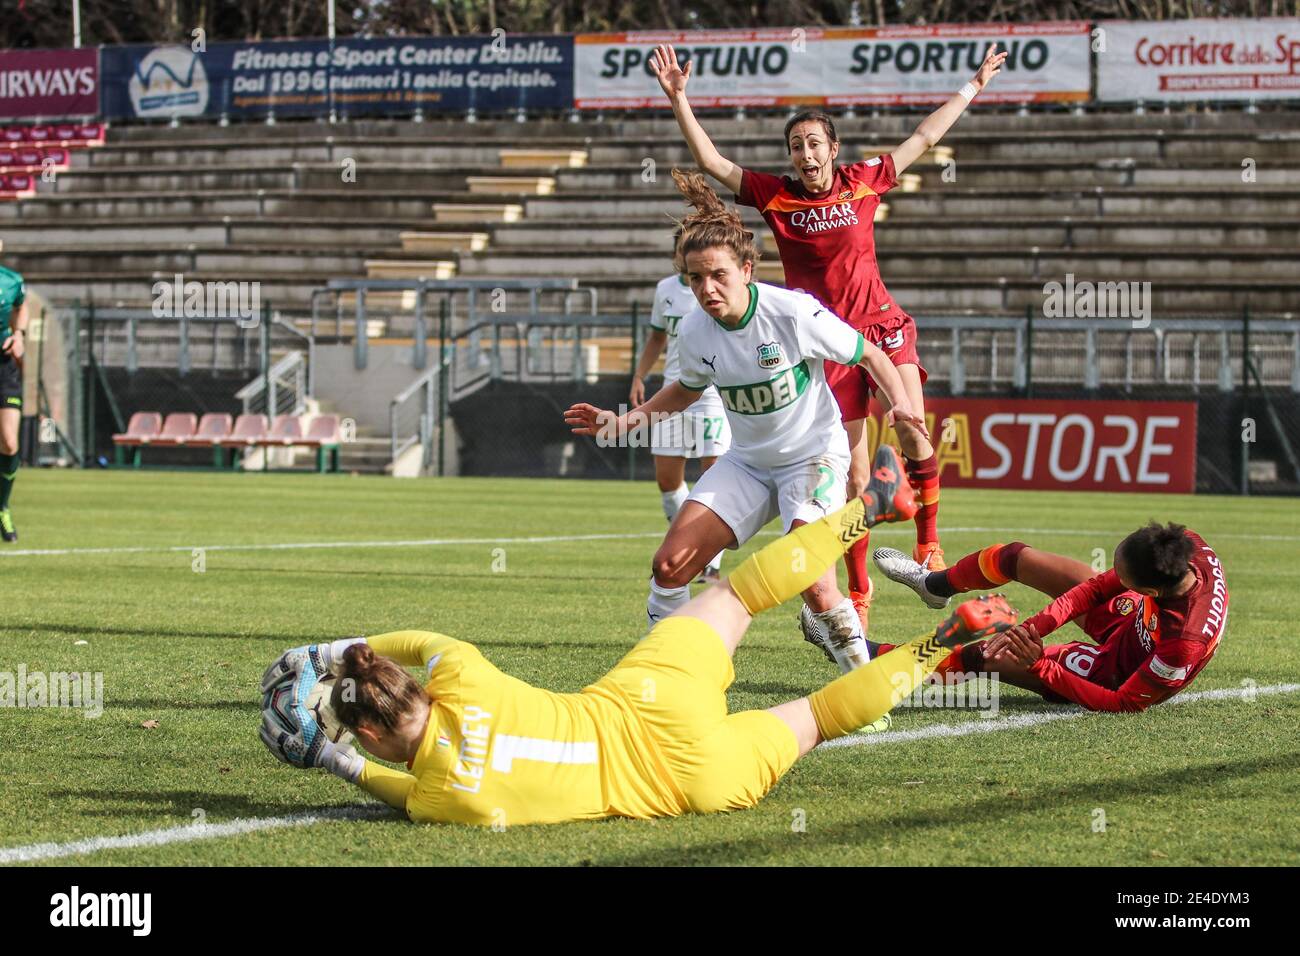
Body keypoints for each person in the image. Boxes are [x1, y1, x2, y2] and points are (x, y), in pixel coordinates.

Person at [259, 478, 1018, 826]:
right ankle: (867, 508)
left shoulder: (440, 802)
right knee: (743, 594)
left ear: (365, 734)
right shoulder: (461, 673)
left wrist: (330, 760)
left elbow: (386, 786)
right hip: (651, 697)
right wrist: (333, 647)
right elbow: (423, 640)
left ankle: (941, 642)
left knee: (820, 716)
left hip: (692, 782)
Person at [649, 41, 1008, 637]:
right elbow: (712, 162)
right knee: (855, 481)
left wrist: (973, 86)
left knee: (914, 427)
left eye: (814, 142)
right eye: (796, 145)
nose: (806, 152)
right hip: (822, 346)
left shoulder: (862, 181)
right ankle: (858, 598)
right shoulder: (776, 196)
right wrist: (680, 99)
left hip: (880, 329)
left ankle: (930, 549)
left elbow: (922, 138)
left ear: (833, 149)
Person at [564, 169, 928, 672]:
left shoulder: (793, 313)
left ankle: (863, 688)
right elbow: (685, 390)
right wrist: (625, 422)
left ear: (748, 270)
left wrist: (901, 404)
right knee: (669, 566)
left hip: (813, 456)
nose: (707, 289)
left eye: (718, 275)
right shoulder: (693, 330)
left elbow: (872, 355)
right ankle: (659, 674)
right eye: (695, 278)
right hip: (748, 464)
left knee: (813, 580)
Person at [872, 522, 1228, 712]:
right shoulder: (1185, 547)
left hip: (1117, 671)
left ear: (1150, 591)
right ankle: (934, 584)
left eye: (1124, 579)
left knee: (983, 656)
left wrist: (1041, 666)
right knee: (1016, 557)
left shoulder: (1183, 643)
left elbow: (1125, 702)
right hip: (1135, 618)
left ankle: (867, 658)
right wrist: (1034, 627)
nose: (1111, 578)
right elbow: (1095, 590)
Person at [631, 259, 732, 583]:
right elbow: (656, 338)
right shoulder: (666, 289)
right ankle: (687, 547)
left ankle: (709, 564)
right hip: (673, 392)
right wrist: (639, 375)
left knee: (713, 476)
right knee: (666, 480)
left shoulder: (717, 290)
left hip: (712, 396)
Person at [0, 263, 28, 542]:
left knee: (9, 442)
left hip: (3, 365)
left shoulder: (11, 280)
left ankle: (2, 507)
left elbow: (22, 306)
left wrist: (18, 334)